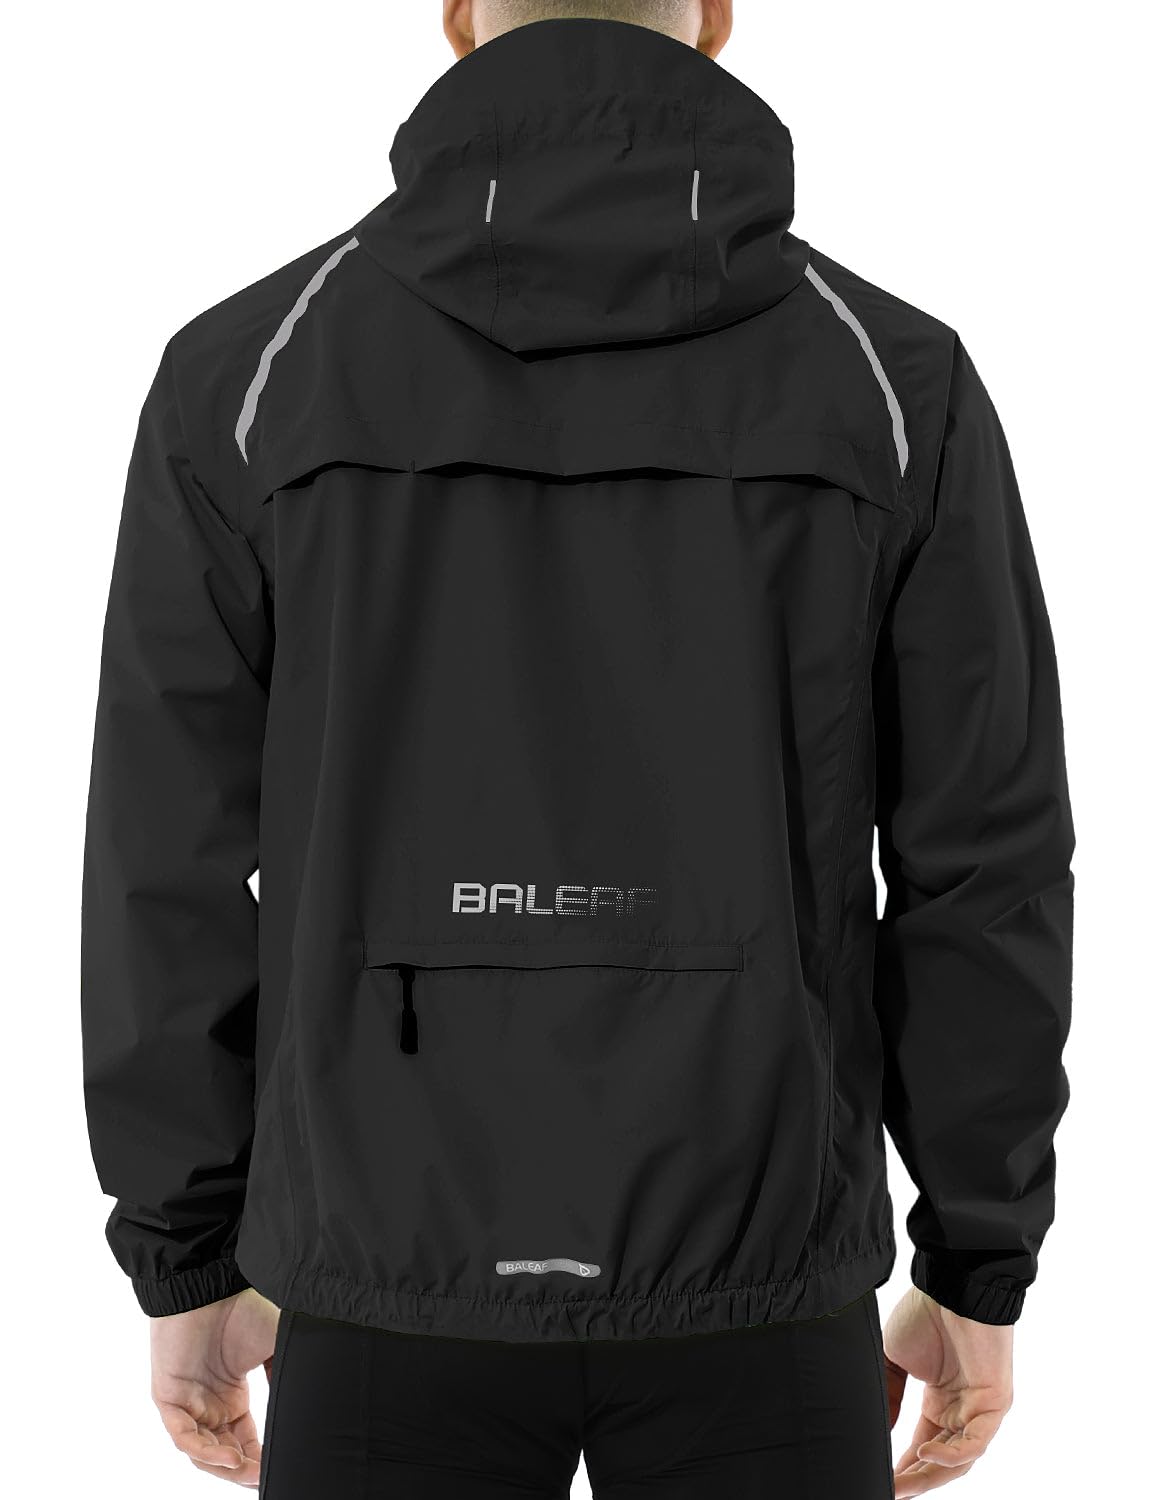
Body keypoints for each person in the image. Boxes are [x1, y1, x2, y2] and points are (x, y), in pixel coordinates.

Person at [81, 1, 1074, 1496]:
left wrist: (187, 1255)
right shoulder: (887, 378)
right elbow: (983, 862)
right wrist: (977, 1260)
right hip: (761, 1273)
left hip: (379, 1276)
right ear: (715, 18)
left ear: (458, 16)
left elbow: (162, 861)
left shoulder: (251, 374)